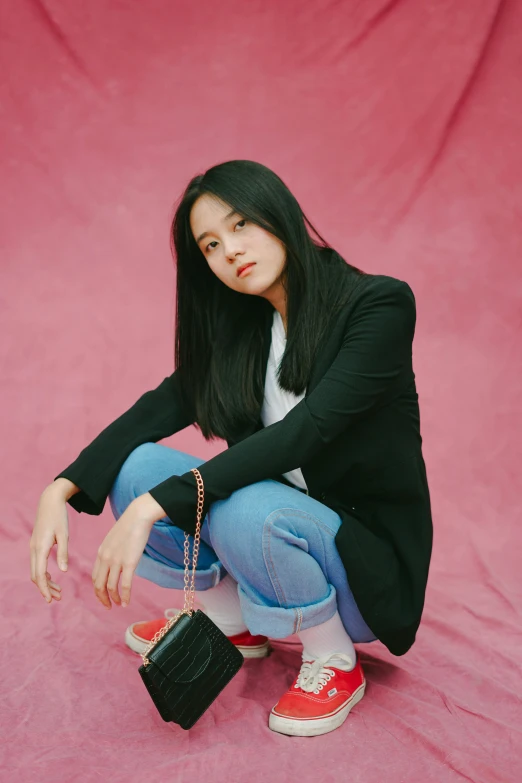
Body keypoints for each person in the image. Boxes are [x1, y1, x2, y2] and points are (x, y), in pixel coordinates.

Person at [30, 159, 433, 737]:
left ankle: (332, 656)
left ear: (281, 213)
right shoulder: (246, 330)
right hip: (274, 533)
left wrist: (154, 507)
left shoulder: (378, 306)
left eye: (241, 225)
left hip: (364, 569)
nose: (231, 252)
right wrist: (60, 488)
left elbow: (305, 432)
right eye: (211, 245)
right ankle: (230, 620)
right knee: (137, 466)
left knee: (243, 503)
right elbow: (159, 406)